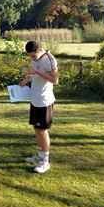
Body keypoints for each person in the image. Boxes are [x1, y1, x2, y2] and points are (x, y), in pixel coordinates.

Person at [18, 41, 59, 174]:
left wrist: (37, 72)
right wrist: (27, 79)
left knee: (42, 131)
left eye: (33, 56)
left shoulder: (49, 60)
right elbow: (35, 74)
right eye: (30, 57)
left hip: (44, 101)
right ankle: (40, 156)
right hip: (34, 100)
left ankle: (45, 161)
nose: (32, 59)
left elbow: (55, 80)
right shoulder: (35, 59)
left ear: (39, 50)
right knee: (36, 129)